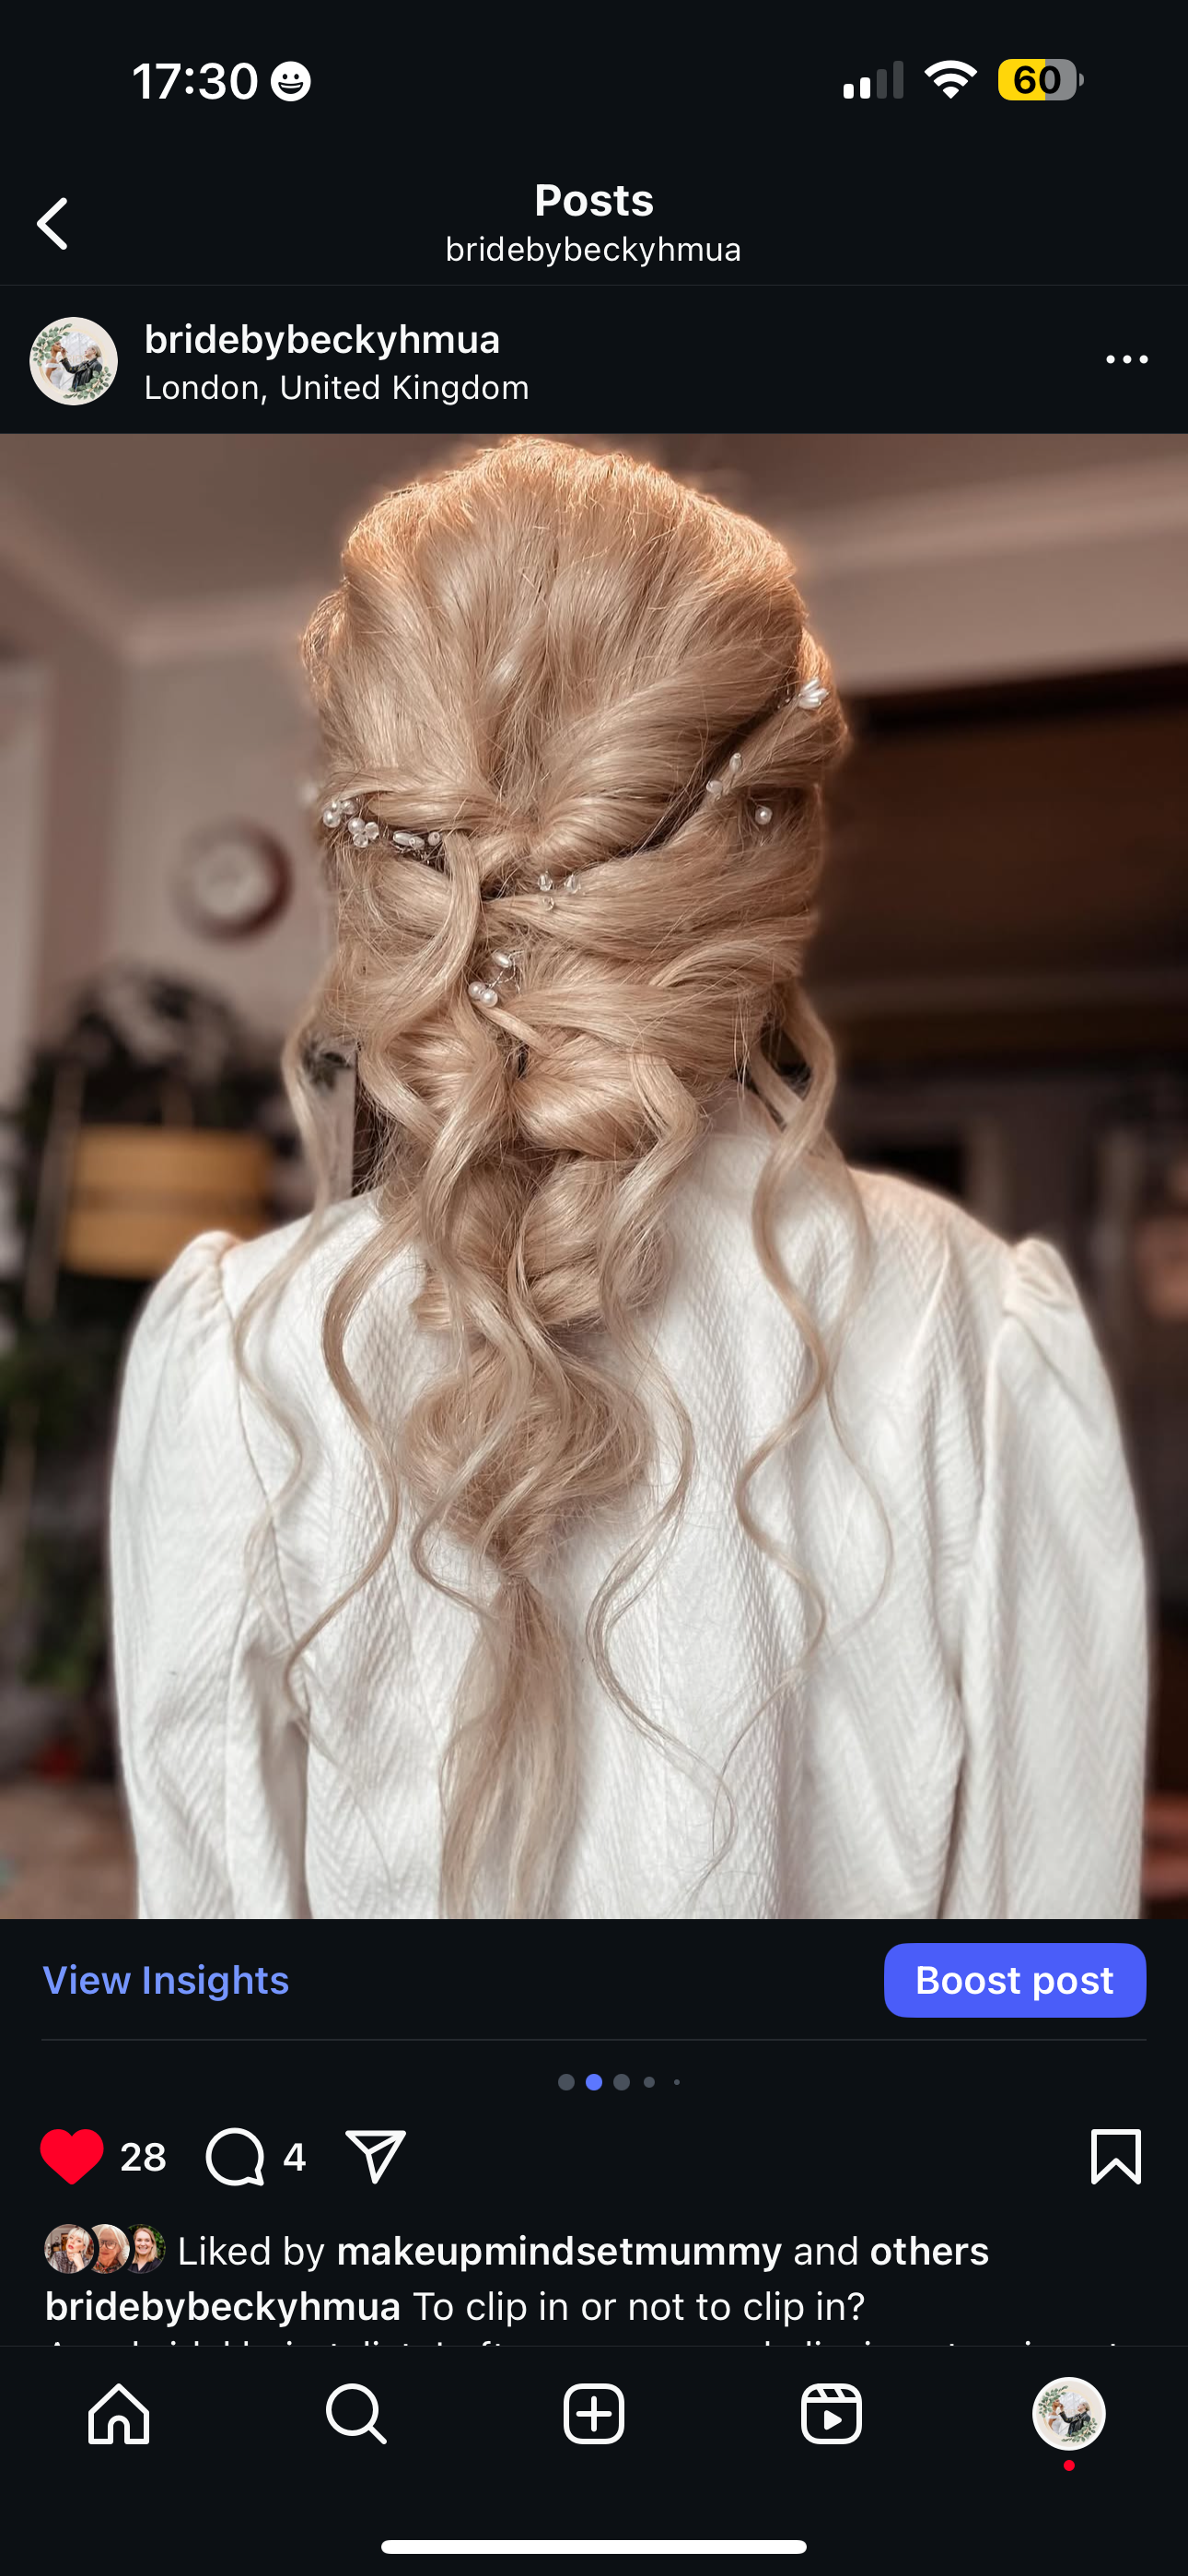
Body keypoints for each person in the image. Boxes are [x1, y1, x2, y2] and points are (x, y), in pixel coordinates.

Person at [110, 437, 1147, 1923]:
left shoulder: (233, 1349)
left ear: (375, 857)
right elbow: (1040, 1971)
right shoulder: (980, 1345)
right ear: (771, 858)